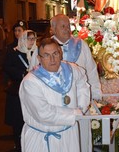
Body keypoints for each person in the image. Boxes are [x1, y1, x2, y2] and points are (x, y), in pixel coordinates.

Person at [29, 14, 102, 152]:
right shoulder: (44, 48)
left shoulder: (81, 45)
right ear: (53, 29)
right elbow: (34, 74)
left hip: (79, 104)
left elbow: (91, 70)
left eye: (68, 25)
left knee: (81, 140)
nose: (67, 29)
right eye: (63, 26)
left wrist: (95, 94)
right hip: (54, 107)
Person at [19, 38, 90, 152]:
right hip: (42, 138)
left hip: (69, 135)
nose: (52, 59)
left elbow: (83, 83)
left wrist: (82, 106)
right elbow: (43, 113)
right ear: (39, 59)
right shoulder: (31, 82)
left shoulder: (72, 69)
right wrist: (74, 113)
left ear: (60, 53)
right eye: (46, 55)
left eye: (55, 53)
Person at [4, 29, 37, 152]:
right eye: (29, 39)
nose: (32, 41)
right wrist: (22, 73)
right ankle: (18, 144)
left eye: (33, 38)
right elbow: (7, 67)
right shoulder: (14, 52)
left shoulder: (37, 52)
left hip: (34, 91)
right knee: (18, 120)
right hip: (18, 90)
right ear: (23, 39)